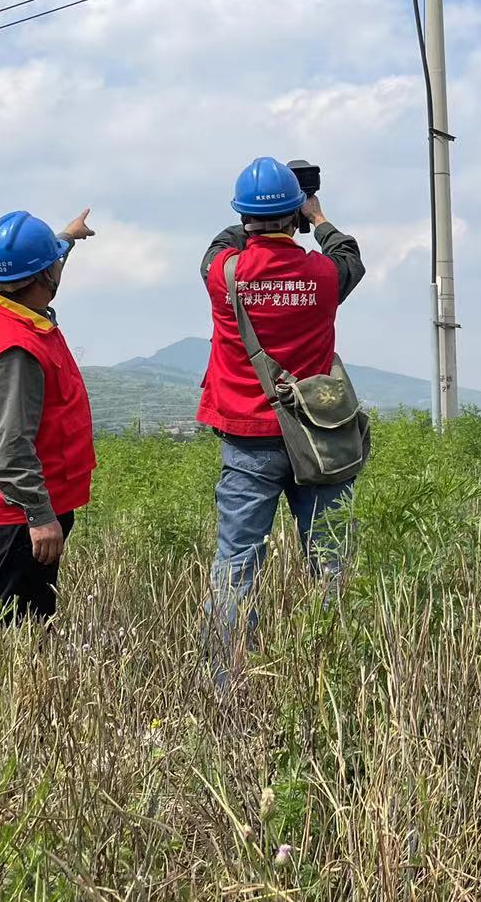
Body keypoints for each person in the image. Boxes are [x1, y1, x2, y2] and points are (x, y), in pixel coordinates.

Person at [198, 157, 364, 657]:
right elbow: (349, 255)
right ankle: (329, 665)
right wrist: (314, 216)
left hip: (247, 438)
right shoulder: (323, 275)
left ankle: (226, 678)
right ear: (295, 213)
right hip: (317, 437)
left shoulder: (223, 273)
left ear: (243, 218)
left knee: (237, 561)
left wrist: (265, 214)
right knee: (330, 559)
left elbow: (220, 246)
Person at [0, 208, 98, 624]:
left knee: (26, 621)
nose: (59, 266)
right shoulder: (15, 351)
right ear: (42, 279)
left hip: (19, 505)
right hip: (20, 515)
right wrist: (39, 516)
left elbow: (35, 271)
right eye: (54, 262)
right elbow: (11, 445)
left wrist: (67, 238)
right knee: (9, 628)